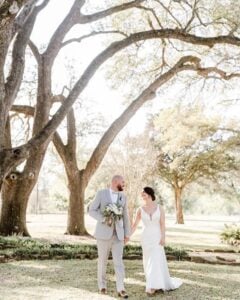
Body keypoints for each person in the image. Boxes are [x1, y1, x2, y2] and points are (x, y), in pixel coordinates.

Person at [131, 186, 182, 296]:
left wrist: (163, 237)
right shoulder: (140, 209)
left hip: (157, 237)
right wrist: (127, 236)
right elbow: (135, 225)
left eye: (143, 193)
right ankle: (153, 282)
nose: (142, 195)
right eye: (141, 194)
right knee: (148, 261)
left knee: (155, 259)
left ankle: (153, 286)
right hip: (145, 238)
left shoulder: (160, 208)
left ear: (149, 194)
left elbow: (163, 224)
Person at [88, 175, 130, 299]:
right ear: (115, 182)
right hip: (102, 234)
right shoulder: (101, 193)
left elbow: (125, 217)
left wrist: (127, 234)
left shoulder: (123, 197)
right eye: (122, 182)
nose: (124, 185)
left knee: (119, 262)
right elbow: (91, 210)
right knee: (102, 261)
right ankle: (102, 286)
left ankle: (121, 288)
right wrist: (103, 218)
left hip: (119, 235)